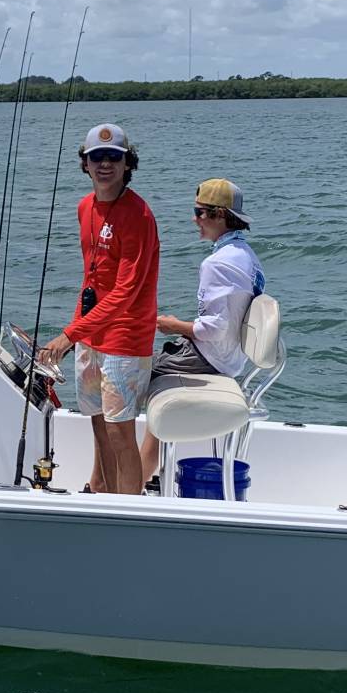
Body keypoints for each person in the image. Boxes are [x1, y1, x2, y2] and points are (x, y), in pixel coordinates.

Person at [39, 123, 159, 495]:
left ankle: (130, 513)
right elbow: (90, 280)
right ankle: (106, 499)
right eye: (96, 157)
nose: (104, 164)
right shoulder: (84, 208)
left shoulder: (138, 215)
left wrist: (67, 335)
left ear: (127, 165)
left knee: (120, 432)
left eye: (113, 157)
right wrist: (76, 332)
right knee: (97, 425)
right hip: (90, 333)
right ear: (85, 164)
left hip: (125, 336)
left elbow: (125, 291)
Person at [139, 178, 265, 487]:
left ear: (220, 215)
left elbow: (213, 329)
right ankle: (144, 472)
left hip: (210, 357)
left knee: (135, 373)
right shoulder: (245, 254)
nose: (194, 219)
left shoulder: (217, 263)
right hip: (230, 358)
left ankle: (132, 483)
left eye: (200, 212)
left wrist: (172, 325)